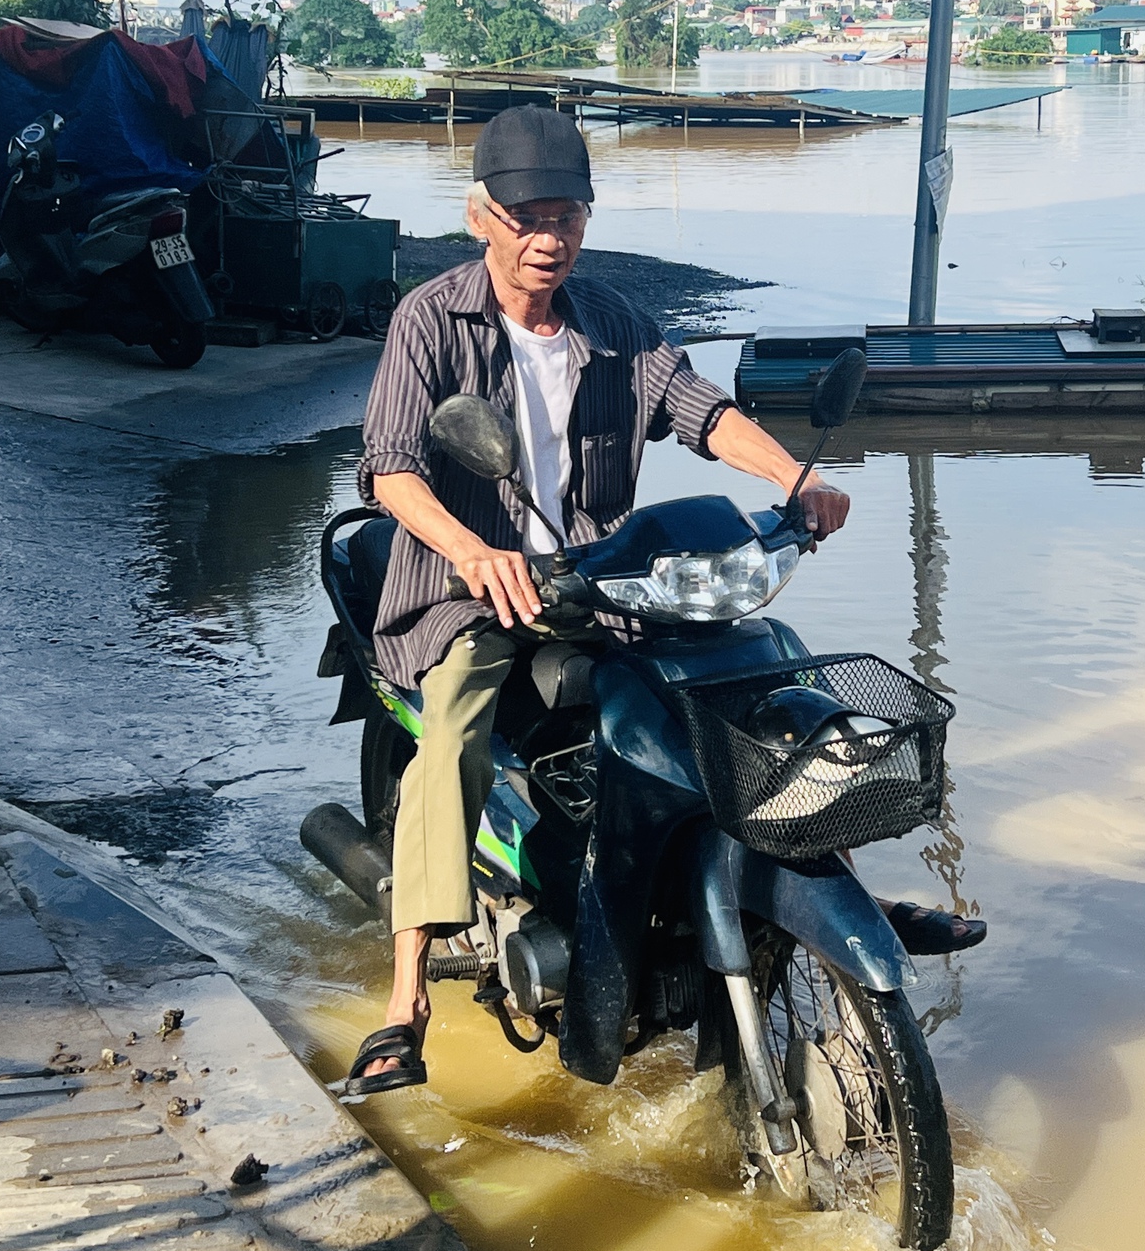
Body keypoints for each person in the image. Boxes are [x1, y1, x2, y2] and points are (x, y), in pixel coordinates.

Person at [343, 106, 982, 1096]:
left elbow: (701, 412)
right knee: (455, 734)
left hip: (600, 587)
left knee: (761, 672)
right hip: (470, 593)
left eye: (568, 214)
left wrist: (791, 482)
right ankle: (406, 996)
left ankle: (823, 881)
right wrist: (477, 553)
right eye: (526, 217)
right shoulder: (431, 317)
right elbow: (389, 472)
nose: (548, 236)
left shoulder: (617, 323)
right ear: (482, 216)